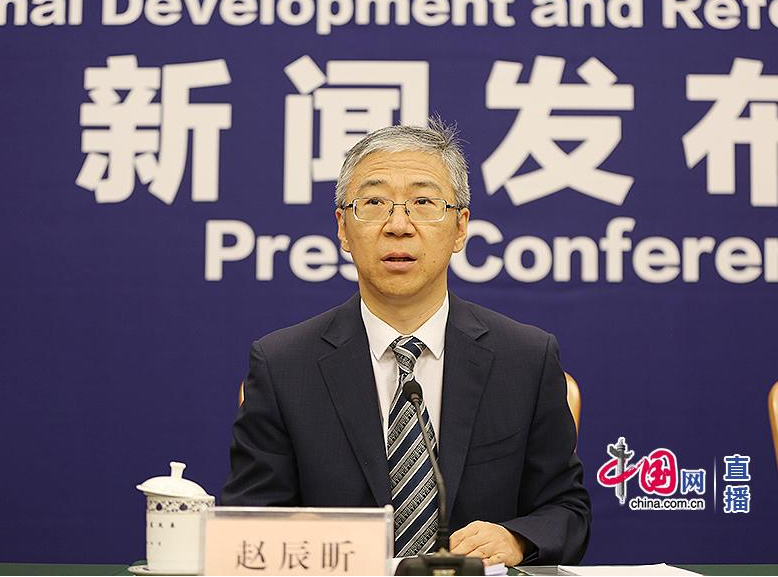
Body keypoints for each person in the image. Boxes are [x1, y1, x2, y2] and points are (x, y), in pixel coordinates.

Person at [221, 120, 591, 566]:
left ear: (460, 228)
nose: (399, 225)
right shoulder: (284, 366)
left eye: (423, 202)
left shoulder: (525, 359)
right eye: (374, 203)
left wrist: (516, 539)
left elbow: (566, 510)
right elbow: (247, 522)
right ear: (343, 228)